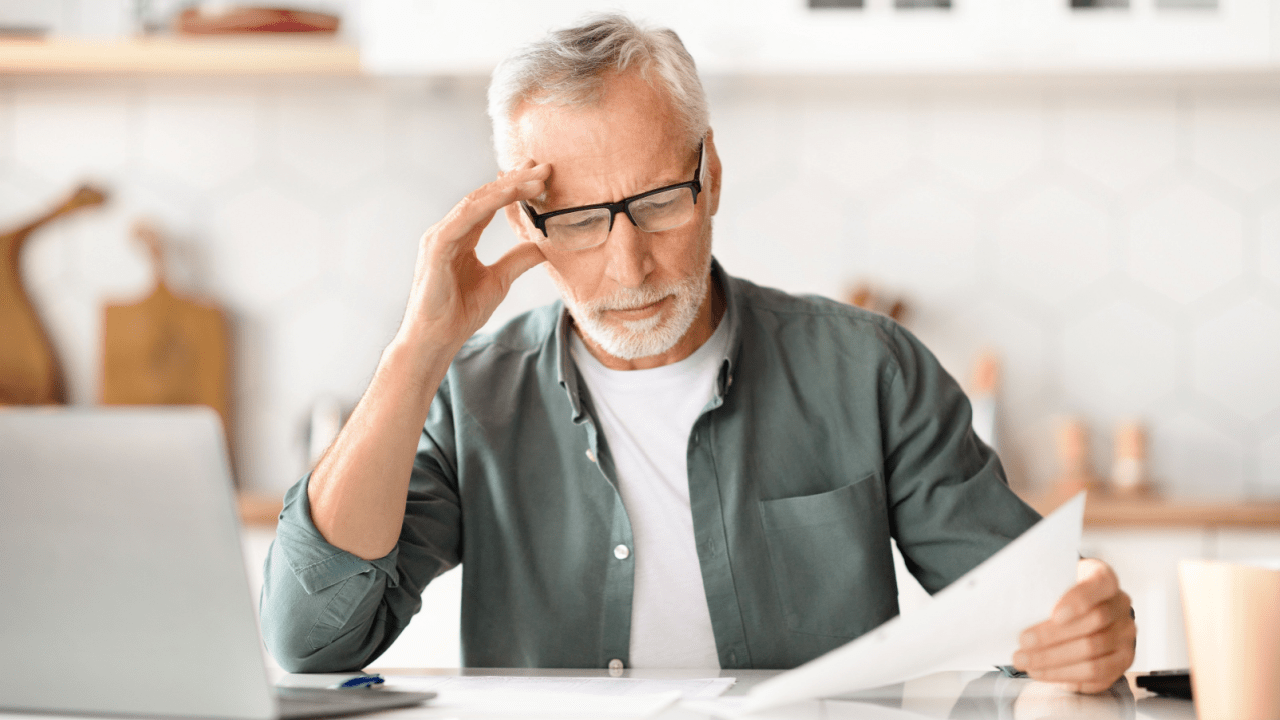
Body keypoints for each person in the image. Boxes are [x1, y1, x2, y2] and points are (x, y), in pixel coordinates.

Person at [260, 14, 1136, 693]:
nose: (629, 263)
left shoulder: (869, 371)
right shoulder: (468, 394)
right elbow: (311, 640)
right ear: (525, 223)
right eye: (575, 219)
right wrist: (419, 350)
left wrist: (1085, 619)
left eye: (658, 202)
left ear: (710, 174)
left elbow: (1033, 613)